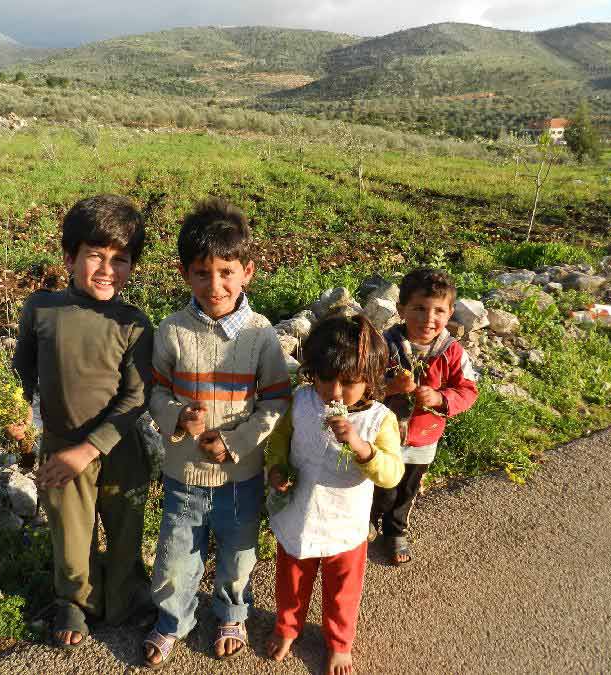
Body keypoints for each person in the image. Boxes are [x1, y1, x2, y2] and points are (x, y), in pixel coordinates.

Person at [142, 198, 291, 668]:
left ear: (247, 271)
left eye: (226, 272)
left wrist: (234, 443)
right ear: (185, 273)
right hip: (184, 475)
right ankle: (173, 620)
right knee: (175, 557)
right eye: (202, 273)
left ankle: (231, 612)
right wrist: (177, 420)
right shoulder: (172, 332)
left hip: (240, 478)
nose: (215, 285)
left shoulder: (261, 336)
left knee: (239, 555)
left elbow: (275, 402)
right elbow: (157, 395)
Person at [10, 195, 154, 650]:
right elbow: (24, 373)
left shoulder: (133, 324)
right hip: (59, 443)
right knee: (70, 533)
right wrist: (22, 416)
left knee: (126, 523)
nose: (108, 269)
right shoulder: (41, 309)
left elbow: (137, 397)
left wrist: (89, 449)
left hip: (119, 447)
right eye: (96, 255)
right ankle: (74, 599)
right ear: (70, 256)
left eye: (121, 259)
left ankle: (125, 591)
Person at [266, 314, 404, 675]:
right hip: (300, 514)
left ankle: (340, 643)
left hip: (346, 524)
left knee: (343, 591)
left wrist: (361, 447)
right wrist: (277, 468)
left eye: (348, 382)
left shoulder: (379, 420)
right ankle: (287, 627)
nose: (334, 392)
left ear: (371, 379)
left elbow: (392, 474)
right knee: (291, 581)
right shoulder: (302, 401)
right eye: (325, 378)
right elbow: (281, 439)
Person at [371, 268, 478, 565]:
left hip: (423, 437)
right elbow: (362, 386)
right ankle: (367, 518)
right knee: (378, 483)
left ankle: (395, 531)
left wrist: (441, 398)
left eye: (439, 311)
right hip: (383, 435)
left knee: (406, 489)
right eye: (419, 309)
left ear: (451, 312)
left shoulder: (452, 352)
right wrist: (390, 387)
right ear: (401, 309)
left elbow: (468, 390)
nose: (428, 319)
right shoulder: (383, 346)